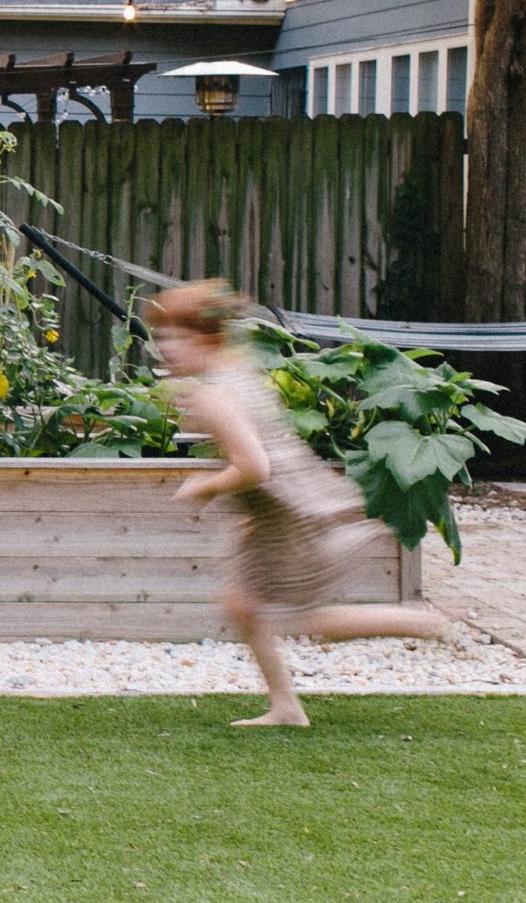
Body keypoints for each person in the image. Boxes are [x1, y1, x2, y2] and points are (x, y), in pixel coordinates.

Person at [152, 280, 447, 727]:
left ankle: (417, 622)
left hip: (293, 518)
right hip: (283, 511)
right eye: (162, 338)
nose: (165, 349)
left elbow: (254, 467)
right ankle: (286, 706)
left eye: (176, 338)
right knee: (241, 603)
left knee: (310, 619)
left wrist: (206, 486)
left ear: (206, 339)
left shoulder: (215, 394)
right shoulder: (233, 373)